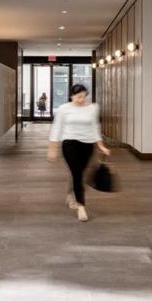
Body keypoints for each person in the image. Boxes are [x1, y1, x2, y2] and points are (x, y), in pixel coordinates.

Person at [47, 84, 110, 222]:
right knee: (77, 173)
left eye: (84, 96)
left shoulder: (93, 108)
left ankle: (71, 194)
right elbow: (56, 129)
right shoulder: (64, 109)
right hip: (69, 144)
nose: (81, 99)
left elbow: (95, 128)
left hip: (87, 145)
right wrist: (52, 149)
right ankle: (81, 206)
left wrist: (101, 146)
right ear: (71, 95)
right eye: (78, 97)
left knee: (79, 174)